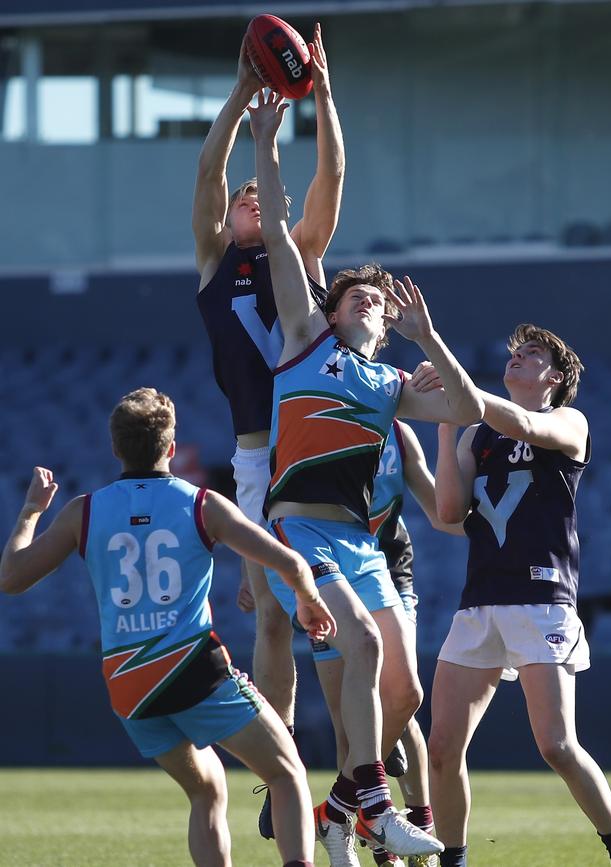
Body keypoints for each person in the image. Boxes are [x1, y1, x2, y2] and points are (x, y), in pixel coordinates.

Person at [249, 88, 484, 865]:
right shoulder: (306, 338)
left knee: (403, 691)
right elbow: (281, 229)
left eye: (380, 301)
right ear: (334, 306)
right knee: (359, 645)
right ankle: (375, 803)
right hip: (297, 525)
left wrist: (431, 335)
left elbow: (464, 402)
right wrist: (266, 140)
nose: (372, 302)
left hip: (361, 542)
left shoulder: (388, 388)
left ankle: (343, 804)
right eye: (360, 294)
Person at [0, 387, 337, 867]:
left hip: (128, 686)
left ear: (115, 448)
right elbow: (290, 563)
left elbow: (11, 578)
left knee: (207, 790)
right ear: (172, 449)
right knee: (286, 773)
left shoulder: (83, 511)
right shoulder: (201, 504)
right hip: (193, 670)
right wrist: (309, 601)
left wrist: (32, 509)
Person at [191, 25, 344, 835]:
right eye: (246, 199)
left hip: (319, 444)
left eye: (261, 195)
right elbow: (212, 171)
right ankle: (283, 765)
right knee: (274, 616)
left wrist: (319, 101)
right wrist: (241, 95)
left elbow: (327, 181)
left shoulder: (303, 254)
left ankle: (361, 767)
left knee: (346, 612)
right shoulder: (216, 261)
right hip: (258, 456)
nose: (251, 199)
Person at [428, 324, 611, 867]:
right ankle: (454, 859)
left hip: (541, 599)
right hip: (479, 602)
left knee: (556, 746)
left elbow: (523, 422)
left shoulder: (569, 421)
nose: (518, 358)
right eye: (516, 352)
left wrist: (450, 374)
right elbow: (449, 514)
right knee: (442, 749)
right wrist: (445, 425)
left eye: (533, 354)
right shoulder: (475, 434)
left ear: (555, 376)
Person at [316, 419, 464, 867]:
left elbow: (441, 511)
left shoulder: (397, 433)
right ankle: (373, 838)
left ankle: (397, 820)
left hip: (388, 573)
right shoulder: (315, 418)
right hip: (329, 571)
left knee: (401, 702)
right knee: (350, 724)